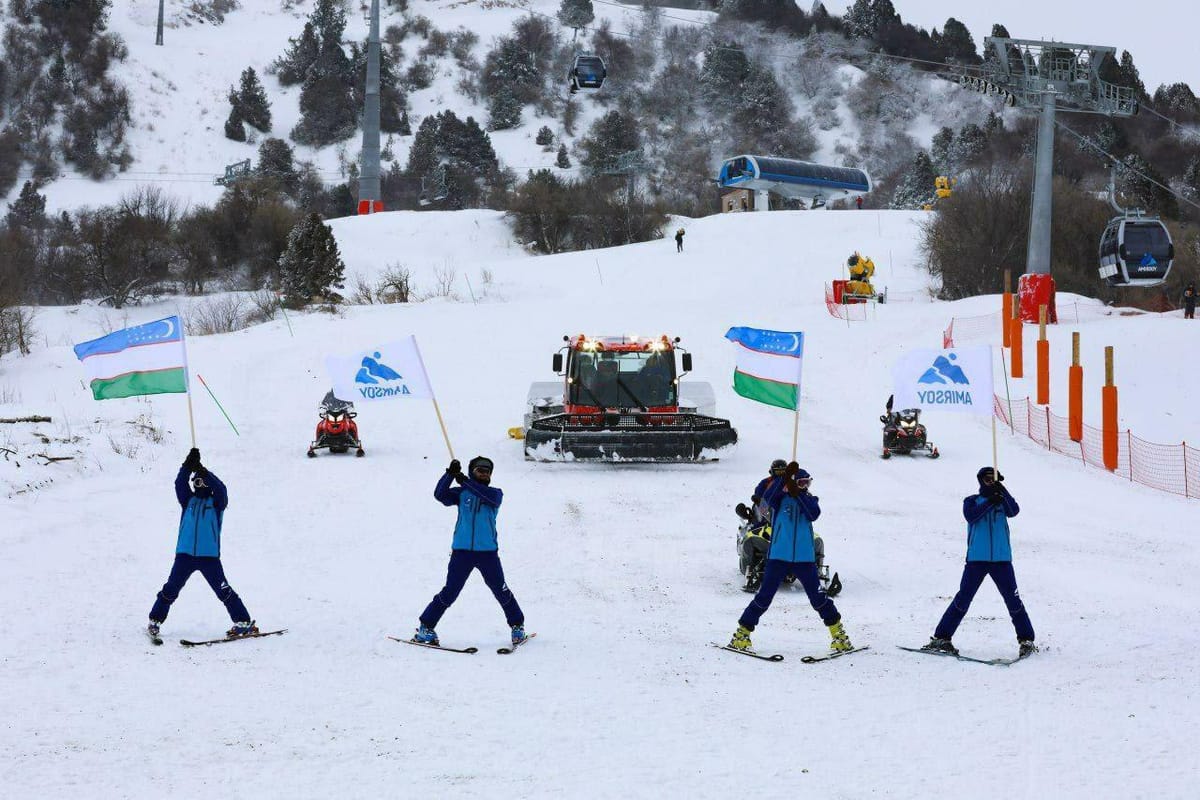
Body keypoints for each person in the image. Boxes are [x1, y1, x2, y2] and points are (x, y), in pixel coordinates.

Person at [728, 462, 853, 653]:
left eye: (807, 483)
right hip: (779, 556)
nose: (805, 486)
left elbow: (813, 514)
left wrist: (798, 493)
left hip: (804, 559)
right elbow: (766, 500)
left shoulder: (810, 500)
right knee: (764, 597)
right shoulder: (779, 500)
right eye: (801, 482)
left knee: (819, 599)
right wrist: (784, 478)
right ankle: (741, 635)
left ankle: (839, 636)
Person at [413, 456, 527, 647]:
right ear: (472, 471)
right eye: (479, 470)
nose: (484, 473)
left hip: (487, 553)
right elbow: (440, 495)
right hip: (462, 552)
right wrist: (450, 474)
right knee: (450, 591)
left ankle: (517, 626)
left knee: (501, 590)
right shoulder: (462, 493)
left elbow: (488, 496)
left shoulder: (494, 494)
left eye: (487, 471)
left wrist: (465, 480)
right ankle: (426, 627)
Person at [924, 468, 1036, 658]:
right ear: (980, 480)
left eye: (994, 479)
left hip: (1002, 560)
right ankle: (942, 637)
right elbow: (971, 516)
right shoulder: (972, 501)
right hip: (977, 559)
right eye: (987, 479)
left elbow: (1014, 511)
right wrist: (991, 500)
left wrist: (1003, 491)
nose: (990, 482)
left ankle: (1026, 640)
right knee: (963, 598)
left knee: (1013, 600)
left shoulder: (1002, 500)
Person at [148, 448, 257, 640]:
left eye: (201, 481)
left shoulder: (216, 504)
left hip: (209, 557)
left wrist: (205, 471)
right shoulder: (188, 501)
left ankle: (243, 622)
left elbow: (222, 489)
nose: (197, 484)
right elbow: (179, 483)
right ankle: (155, 620)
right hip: (185, 556)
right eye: (195, 481)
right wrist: (187, 465)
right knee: (170, 589)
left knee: (223, 591)